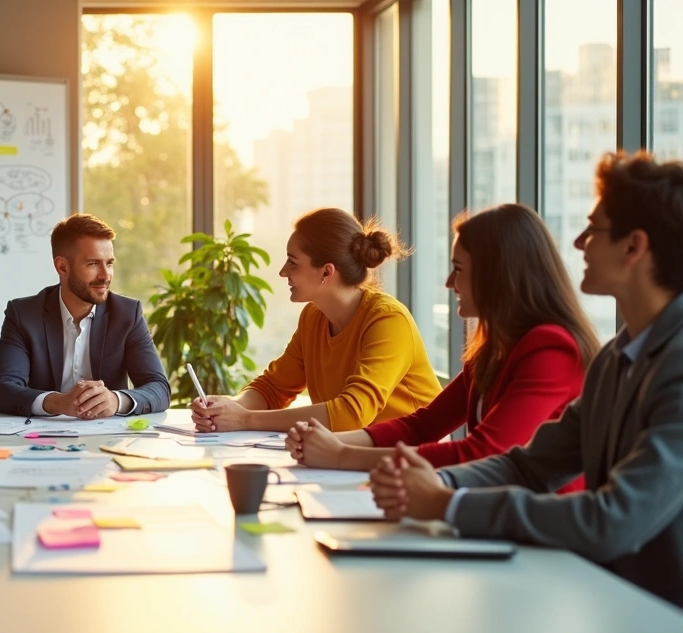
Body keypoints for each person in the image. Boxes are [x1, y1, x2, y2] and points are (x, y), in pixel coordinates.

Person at [370, 151, 683, 608]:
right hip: (606, 596)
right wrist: (440, 484)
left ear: (633, 247)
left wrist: (446, 504)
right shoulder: (617, 359)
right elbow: (527, 465)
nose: (578, 243)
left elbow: (612, 520)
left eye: (593, 230)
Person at [286, 204, 599, 487]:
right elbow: (421, 427)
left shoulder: (551, 350)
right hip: (492, 515)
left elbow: (483, 453)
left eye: (459, 269)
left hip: (541, 536)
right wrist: (331, 443)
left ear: (498, 276)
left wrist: (341, 456)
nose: (450, 283)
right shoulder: (492, 349)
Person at [191, 208, 440, 433]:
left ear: (326, 272)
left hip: (414, 464)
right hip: (354, 458)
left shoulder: (388, 320)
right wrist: (227, 407)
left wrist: (245, 420)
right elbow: (273, 388)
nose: (283, 271)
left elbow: (352, 413)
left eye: (293, 262)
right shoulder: (313, 317)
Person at [0, 213, 170, 417]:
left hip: (108, 438)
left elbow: (159, 388)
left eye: (109, 263)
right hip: (42, 440)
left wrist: (116, 400)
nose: (105, 275)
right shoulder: (24, 314)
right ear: (62, 267)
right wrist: (58, 402)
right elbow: (2, 390)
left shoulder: (127, 314)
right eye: (93, 264)